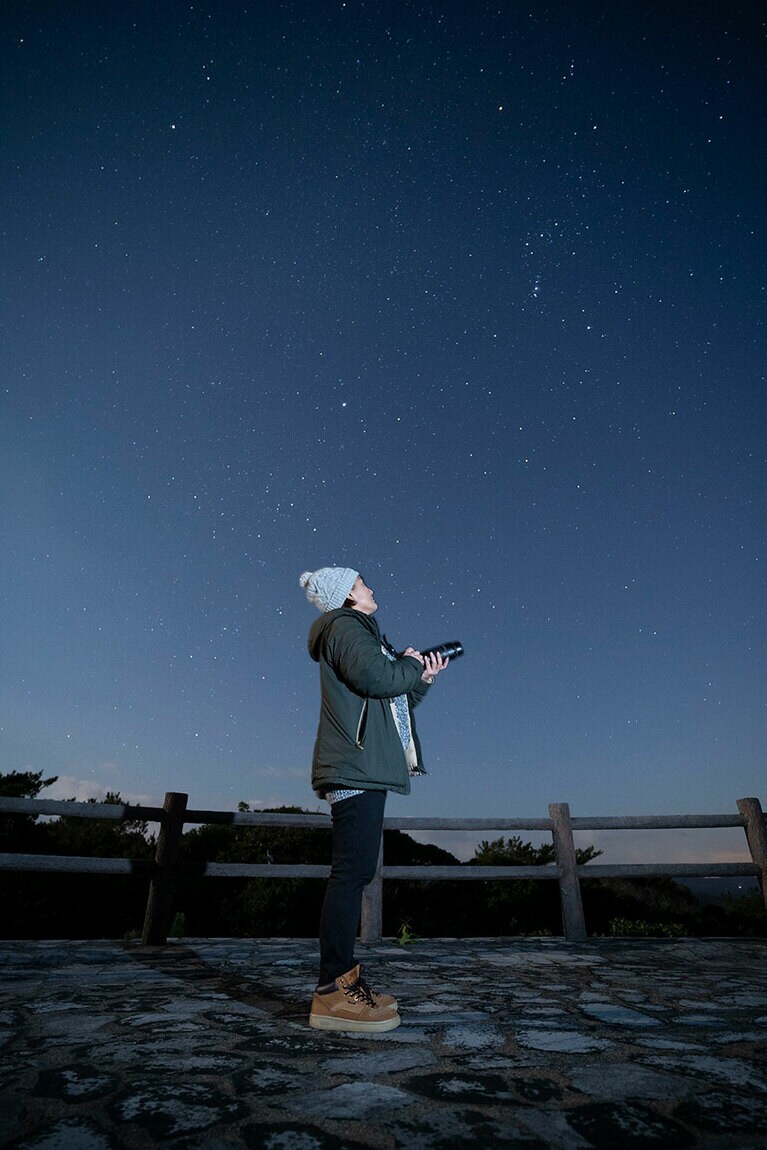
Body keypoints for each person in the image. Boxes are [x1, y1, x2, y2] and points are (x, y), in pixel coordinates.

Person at [299, 566, 449, 1032]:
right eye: (363, 583)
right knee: (350, 875)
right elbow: (375, 677)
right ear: (347, 594)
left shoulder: (360, 633)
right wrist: (406, 666)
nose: (372, 587)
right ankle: (332, 993)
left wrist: (421, 677)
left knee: (355, 873)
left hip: (364, 766)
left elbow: (391, 699)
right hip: (354, 766)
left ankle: (343, 983)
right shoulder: (344, 627)